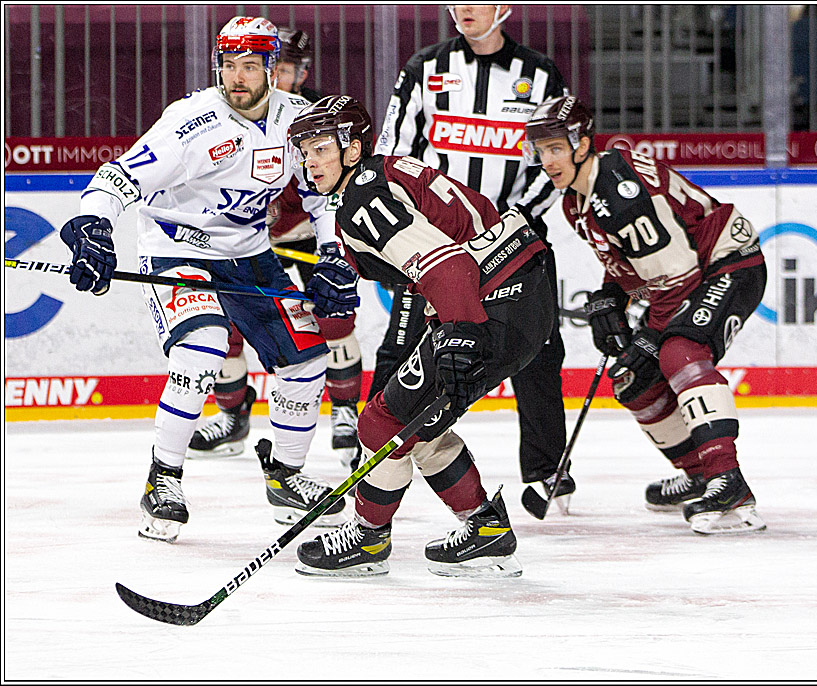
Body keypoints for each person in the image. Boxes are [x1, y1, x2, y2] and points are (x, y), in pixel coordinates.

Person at [58, 16, 354, 543]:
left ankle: (285, 477)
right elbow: (118, 176)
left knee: (307, 358)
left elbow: (321, 192)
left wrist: (332, 253)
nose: (236, 78)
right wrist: (92, 226)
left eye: (249, 66)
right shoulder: (191, 121)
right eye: (227, 66)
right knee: (202, 347)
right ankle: (163, 480)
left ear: (271, 69)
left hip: (249, 252)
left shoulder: (299, 120)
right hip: (177, 248)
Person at [287, 95, 556, 577]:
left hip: (490, 301)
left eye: (320, 147)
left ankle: (367, 540)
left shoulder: (362, 199)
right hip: (521, 290)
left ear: (351, 149)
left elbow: (447, 266)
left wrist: (458, 331)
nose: (310, 162)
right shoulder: (380, 176)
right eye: (304, 151)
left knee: (381, 422)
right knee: (419, 423)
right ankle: (486, 530)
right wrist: (337, 279)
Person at [523, 95, 768, 535]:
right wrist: (609, 298)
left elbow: (680, 277)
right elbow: (632, 263)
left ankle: (728, 482)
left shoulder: (617, 190)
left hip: (729, 264)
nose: (547, 160)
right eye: (540, 151)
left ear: (582, 146)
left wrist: (649, 336)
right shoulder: (576, 203)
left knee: (679, 351)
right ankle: (699, 475)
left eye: (556, 148)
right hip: (687, 276)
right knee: (634, 380)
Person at [373, 4, 574, 510]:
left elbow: (553, 160)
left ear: (503, 8)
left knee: (539, 349)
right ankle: (372, 452)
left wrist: (507, 226)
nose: (463, 8)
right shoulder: (424, 68)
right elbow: (393, 149)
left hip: (517, 241)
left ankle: (547, 469)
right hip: (433, 242)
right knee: (402, 345)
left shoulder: (540, 74)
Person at [189, 26, 363, 474]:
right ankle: (232, 414)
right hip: (249, 245)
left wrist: (326, 237)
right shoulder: (229, 114)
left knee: (333, 317)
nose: (278, 77)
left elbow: (329, 190)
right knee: (225, 326)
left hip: (302, 238)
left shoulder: (312, 118)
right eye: (274, 67)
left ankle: (345, 410)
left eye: (285, 69)